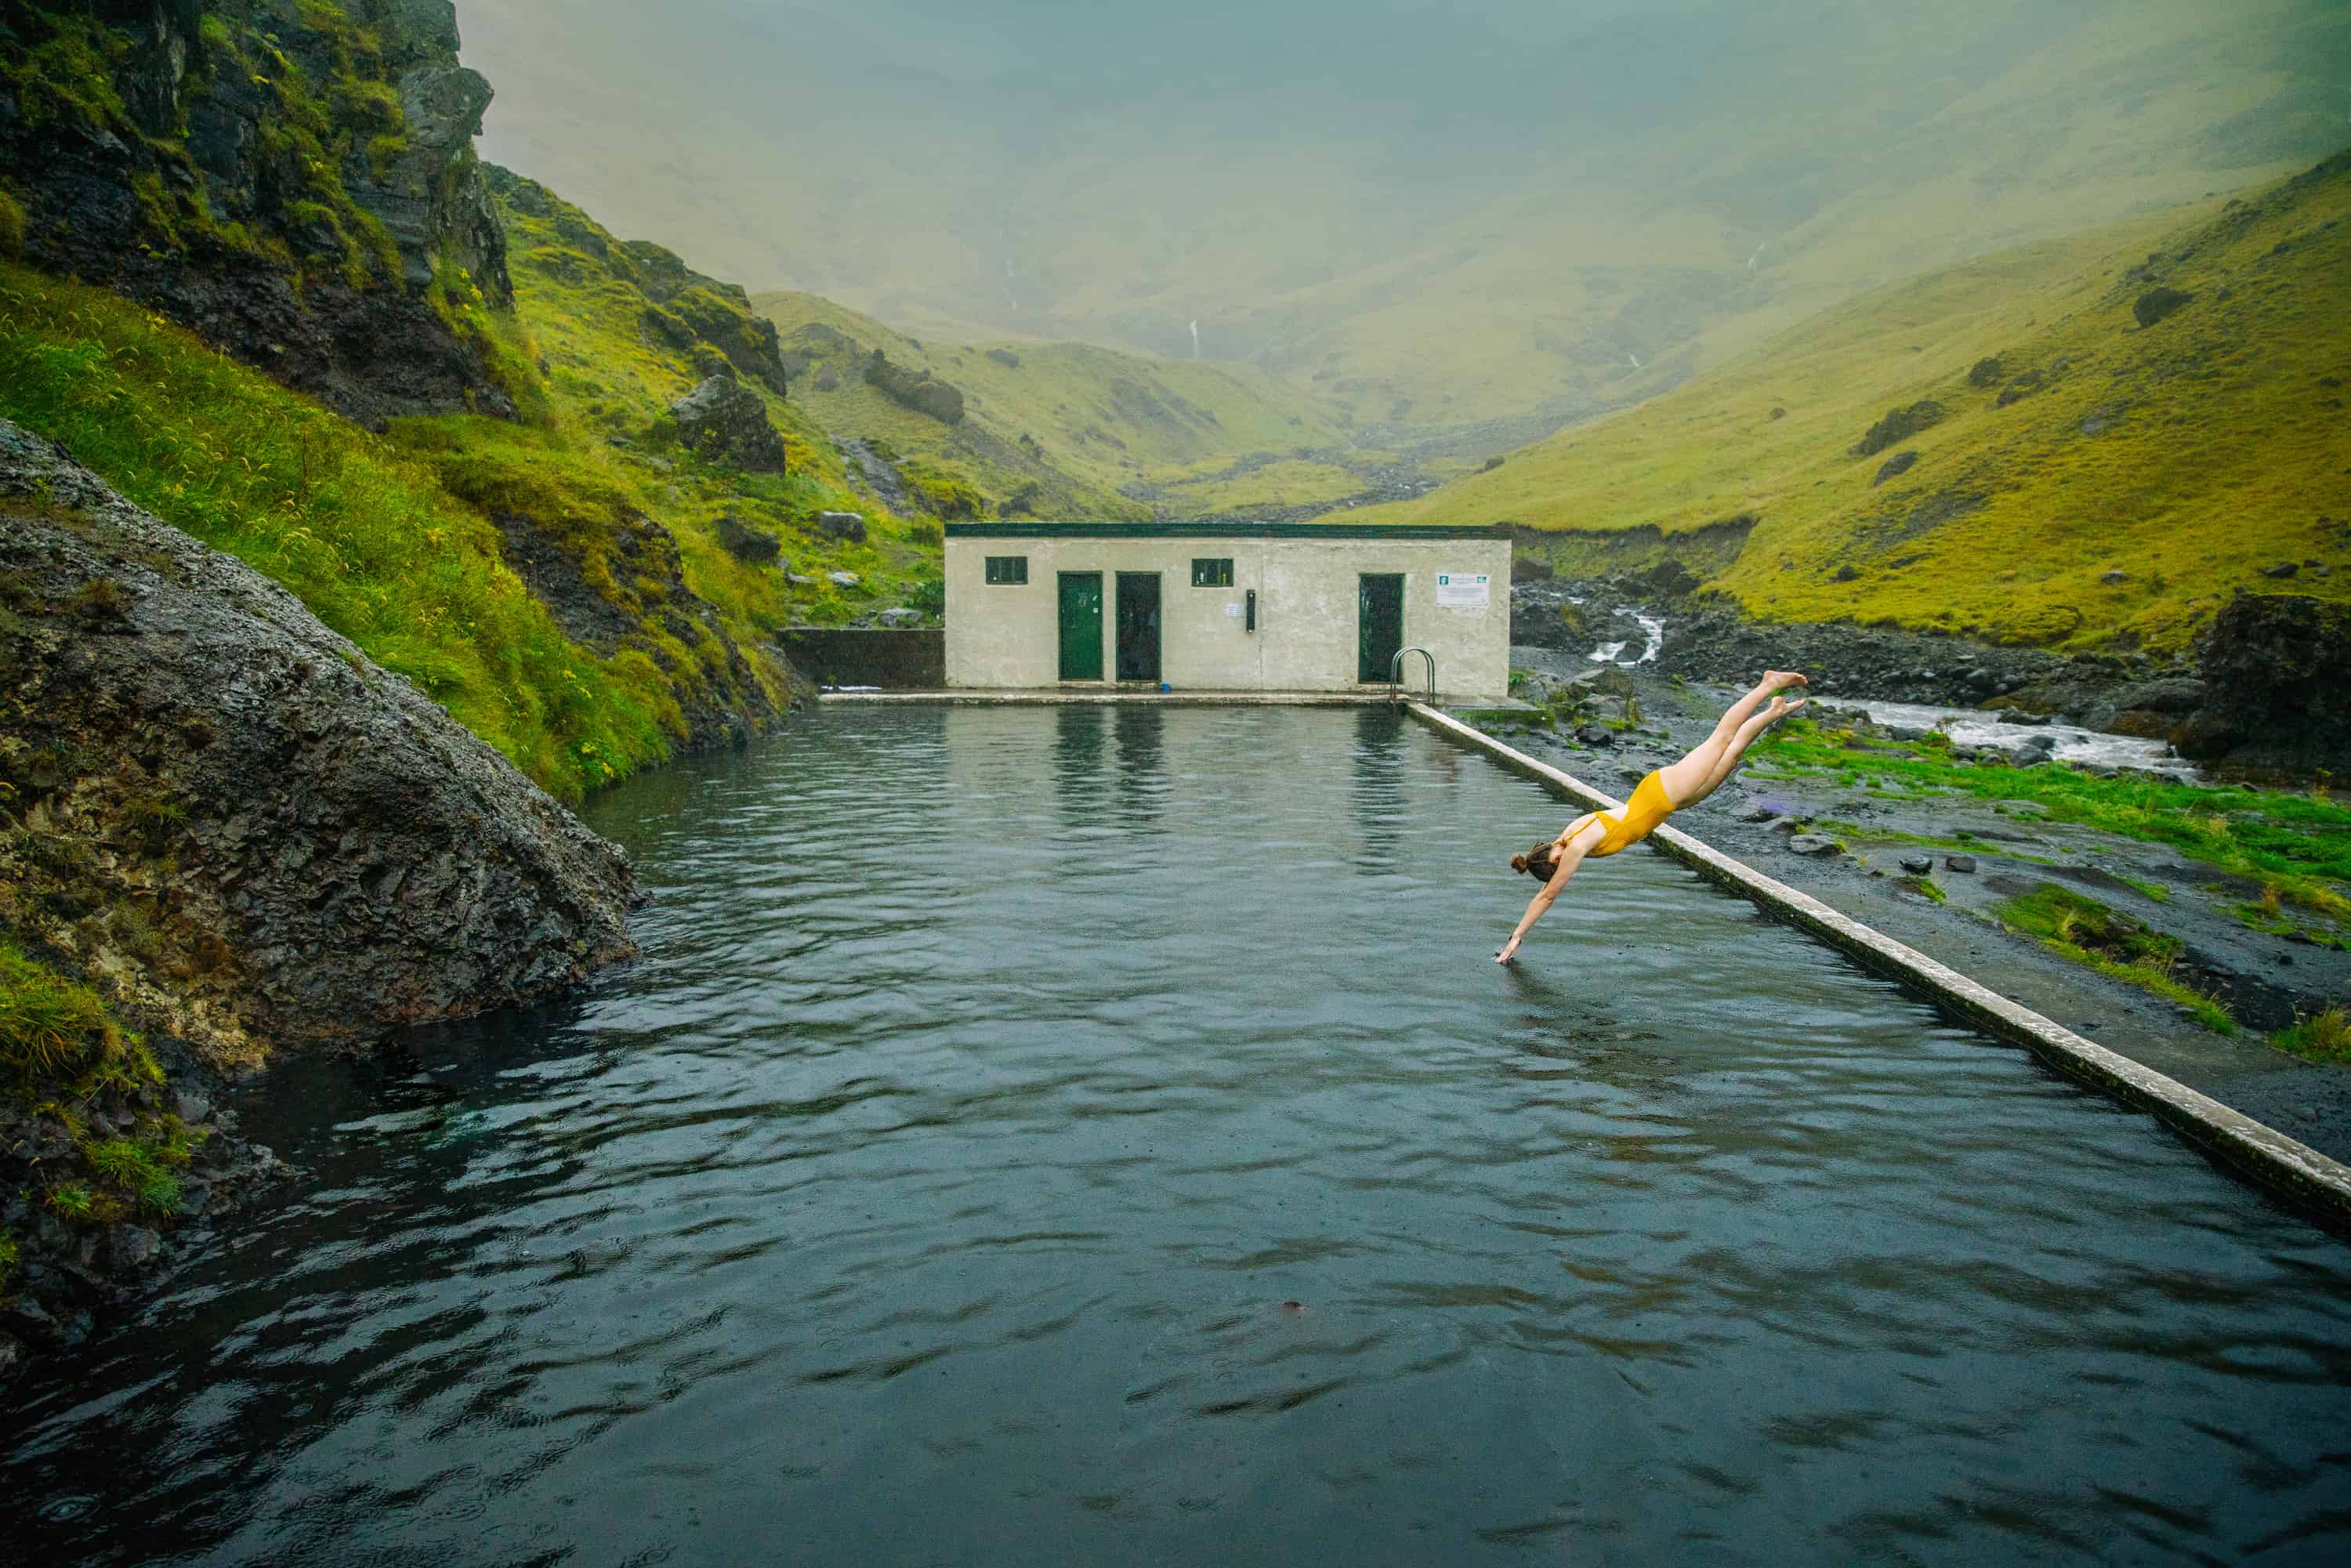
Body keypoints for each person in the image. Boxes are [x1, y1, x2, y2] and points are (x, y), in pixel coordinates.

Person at [1495, 672, 1809, 963]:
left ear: (1551, 858)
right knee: (1731, 754)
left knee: (1721, 738)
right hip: (1665, 801)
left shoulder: (1576, 844)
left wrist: (1518, 934)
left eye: (1556, 865)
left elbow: (1548, 896)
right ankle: (1772, 713)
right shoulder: (1568, 836)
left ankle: (1768, 683)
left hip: (1663, 792)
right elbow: (1547, 889)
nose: (1562, 866)